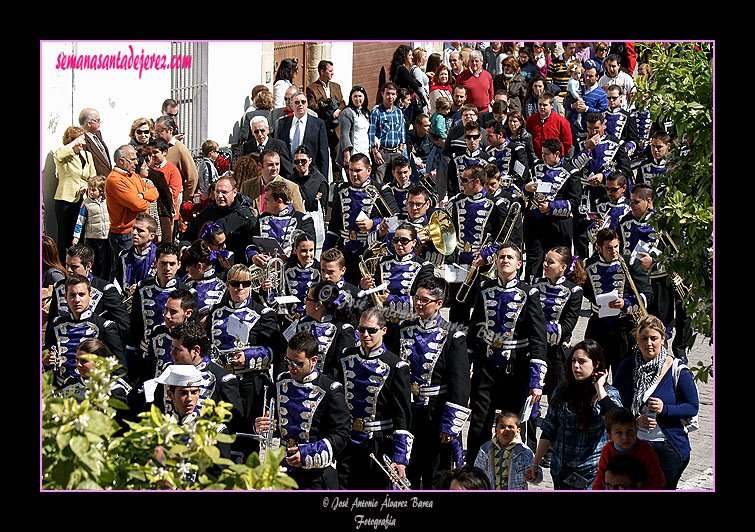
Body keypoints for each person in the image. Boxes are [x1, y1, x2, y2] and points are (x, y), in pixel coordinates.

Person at [466, 242, 548, 460]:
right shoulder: (485, 289)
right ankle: (476, 467)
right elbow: (475, 329)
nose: (505, 260)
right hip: (486, 365)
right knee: (479, 420)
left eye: (510, 257)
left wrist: (536, 381)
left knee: (517, 421)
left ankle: (520, 467)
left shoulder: (529, 293)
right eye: (501, 257)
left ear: (519, 264)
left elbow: (538, 338)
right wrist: (466, 365)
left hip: (516, 366)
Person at [398, 276, 471, 489]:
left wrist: (450, 425)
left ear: (439, 303)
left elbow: (460, 385)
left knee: (436, 472)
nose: (419, 304)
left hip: (436, 411)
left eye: (425, 300)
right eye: (416, 298)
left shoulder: (453, 335)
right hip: (410, 410)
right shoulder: (405, 328)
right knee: (408, 469)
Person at [254, 331, 351, 489]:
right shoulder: (281, 382)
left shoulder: (330, 390)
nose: (291, 368)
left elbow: (342, 434)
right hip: (284, 466)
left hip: (316, 473)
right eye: (288, 361)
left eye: (298, 363)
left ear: (313, 361)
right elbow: (276, 422)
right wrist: (262, 425)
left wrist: (307, 454)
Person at [612, 314, 699, 489]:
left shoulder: (678, 370)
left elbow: (692, 407)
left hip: (668, 447)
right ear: (637, 340)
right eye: (644, 338)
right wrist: (635, 420)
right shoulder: (627, 366)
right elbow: (616, 403)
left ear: (663, 339)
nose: (649, 343)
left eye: (654, 338)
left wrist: (664, 408)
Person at [206, 263, 285, 456]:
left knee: (246, 437)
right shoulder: (216, 312)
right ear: (227, 285)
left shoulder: (264, 314)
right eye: (235, 284)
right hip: (221, 383)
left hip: (249, 383)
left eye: (245, 284)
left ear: (251, 285)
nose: (240, 289)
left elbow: (276, 351)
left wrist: (248, 357)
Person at [525, 338, 623, 489]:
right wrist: (535, 463)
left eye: (582, 362)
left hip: (591, 474)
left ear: (596, 364)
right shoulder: (561, 391)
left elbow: (618, 421)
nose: (576, 366)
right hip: (561, 471)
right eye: (573, 361)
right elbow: (549, 430)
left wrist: (599, 388)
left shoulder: (608, 394)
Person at [334, 308, 413, 490]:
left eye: (371, 330)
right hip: (348, 439)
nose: (365, 335)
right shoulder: (346, 357)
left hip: (378, 442)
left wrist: (400, 457)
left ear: (383, 331)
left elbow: (402, 415)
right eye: (361, 330)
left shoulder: (395, 366)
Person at [530, 245, 586, 463]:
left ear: (563, 268)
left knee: (556, 404)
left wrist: (534, 329)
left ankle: (551, 449)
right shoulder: (535, 286)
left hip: (558, 355)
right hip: (535, 352)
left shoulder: (574, 292)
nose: (545, 265)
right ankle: (530, 446)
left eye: (550, 262)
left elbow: (566, 328)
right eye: (545, 260)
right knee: (532, 403)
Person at [144, 320, 244, 434]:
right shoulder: (169, 371)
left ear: (196, 351)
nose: (172, 353)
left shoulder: (222, 379)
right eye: (172, 348)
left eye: (178, 349)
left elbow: (233, 425)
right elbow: (157, 411)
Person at [582, 228, 653, 377]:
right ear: (599, 248)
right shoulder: (588, 265)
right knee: (595, 371)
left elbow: (647, 295)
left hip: (623, 326)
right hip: (598, 326)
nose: (613, 251)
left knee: (623, 373)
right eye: (609, 248)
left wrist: (625, 303)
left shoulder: (630, 263)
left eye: (616, 246)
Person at [444, 163, 508, 326]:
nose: (462, 183)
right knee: (457, 310)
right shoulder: (458, 202)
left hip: (483, 267)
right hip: (460, 265)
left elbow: (503, 239)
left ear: (477, 181)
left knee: (481, 311)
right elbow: (451, 231)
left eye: (465, 180)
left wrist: (486, 256)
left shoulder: (496, 204)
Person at [322, 153, 399, 287]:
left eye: (358, 170)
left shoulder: (381, 190)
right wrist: (325, 253)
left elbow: (395, 221)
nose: (353, 174)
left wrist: (373, 223)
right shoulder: (341, 190)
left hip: (370, 251)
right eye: (351, 170)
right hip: (345, 251)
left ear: (369, 170)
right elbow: (334, 226)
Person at [43, 274, 126, 390]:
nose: (77, 300)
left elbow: (119, 370)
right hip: (62, 393)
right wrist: (46, 362)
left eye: (81, 295)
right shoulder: (56, 324)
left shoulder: (104, 327)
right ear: (65, 297)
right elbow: (47, 357)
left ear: (90, 296)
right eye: (72, 295)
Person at [358, 223, 435, 346]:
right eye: (396, 240)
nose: (399, 244)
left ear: (414, 242)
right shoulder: (383, 263)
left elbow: (422, 301)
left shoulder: (424, 267)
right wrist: (364, 287)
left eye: (404, 241)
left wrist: (389, 300)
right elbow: (372, 297)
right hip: (384, 325)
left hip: (409, 326)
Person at [570, 111, 632, 262]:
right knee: (581, 234)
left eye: (596, 129)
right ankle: (581, 269)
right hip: (584, 194)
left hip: (606, 194)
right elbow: (571, 168)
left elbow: (626, 171)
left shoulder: (616, 143)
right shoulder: (580, 142)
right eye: (590, 129)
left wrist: (604, 177)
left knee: (606, 234)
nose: (593, 132)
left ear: (604, 125)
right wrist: (587, 149)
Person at [522, 137, 581, 282]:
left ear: (557, 154)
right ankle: (532, 287)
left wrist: (551, 207)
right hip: (536, 221)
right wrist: (526, 188)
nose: (542, 157)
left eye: (546, 154)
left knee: (559, 260)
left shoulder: (571, 172)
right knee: (533, 259)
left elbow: (574, 202)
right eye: (542, 153)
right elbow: (523, 188)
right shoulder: (536, 167)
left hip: (558, 224)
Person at [47, 243, 131, 342]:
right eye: (67, 265)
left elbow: (123, 325)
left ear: (88, 266)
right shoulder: (59, 287)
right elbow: (52, 324)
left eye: (74, 267)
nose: (69, 270)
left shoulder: (105, 289)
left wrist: (102, 343)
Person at [105, 145, 159, 280]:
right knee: (123, 272)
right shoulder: (115, 180)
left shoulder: (133, 176)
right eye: (133, 159)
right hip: (124, 235)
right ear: (121, 161)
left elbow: (155, 191)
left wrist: (141, 195)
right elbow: (138, 205)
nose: (137, 163)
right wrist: (144, 199)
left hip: (138, 231)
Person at [183, 175, 258, 263]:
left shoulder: (246, 218)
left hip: (234, 268)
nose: (220, 196)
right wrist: (185, 248)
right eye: (217, 192)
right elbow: (188, 236)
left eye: (224, 192)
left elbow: (254, 244)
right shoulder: (206, 213)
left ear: (234, 192)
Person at [592, 406, 666, 490]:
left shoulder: (645, 451)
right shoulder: (608, 451)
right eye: (619, 433)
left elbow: (658, 480)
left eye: (630, 431)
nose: (625, 437)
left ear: (636, 431)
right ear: (610, 437)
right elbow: (601, 475)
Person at [245, 179, 316, 267]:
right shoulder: (263, 218)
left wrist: (286, 261)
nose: (264, 203)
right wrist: (254, 256)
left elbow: (308, 252)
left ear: (279, 201)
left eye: (267, 200)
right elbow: (251, 243)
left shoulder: (303, 220)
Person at [295, 280, 357, 379]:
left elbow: (341, 368)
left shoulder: (342, 330)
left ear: (318, 305)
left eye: (308, 299)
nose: (305, 302)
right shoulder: (303, 324)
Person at [53, 125, 97, 258]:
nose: (83, 143)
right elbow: (58, 156)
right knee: (64, 234)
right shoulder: (64, 154)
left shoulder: (87, 155)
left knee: (79, 233)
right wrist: (73, 144)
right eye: (80, 140)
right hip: (65, 199)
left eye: (83, 140)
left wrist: (86, 185)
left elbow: (92, 176)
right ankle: (63, 262)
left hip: (82, 199)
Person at [474, 411, 541, 490]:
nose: (506, 430)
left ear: (518, 431)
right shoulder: (485, 451)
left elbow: (536, 475)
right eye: (502, 427)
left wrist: (533, 475)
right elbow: (477, 473)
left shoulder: (524, 452)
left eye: (511, 427)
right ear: (496, 430)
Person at [274, 90, 330, 179]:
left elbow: (323, 153)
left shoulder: (318, 124)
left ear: (307, 104)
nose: (300, 104)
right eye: (297, 102)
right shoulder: (282, 123)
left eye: (303, 102)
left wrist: (323, 180)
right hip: (288, 174)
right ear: (291, 105)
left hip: (310, 174)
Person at [72, 175, 111, 280]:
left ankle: (104, 280)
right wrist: (76, 236)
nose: (91, 192)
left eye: (94, 190)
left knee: (105, 261)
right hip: (91, 237)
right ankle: (92, 279)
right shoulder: (86, 204)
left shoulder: (107, 201)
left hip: (104, 237)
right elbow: (80, 221)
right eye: (89, 190)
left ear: (101, 191)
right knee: (94, 261)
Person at [291, 145, 328, 254]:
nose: (300, 164)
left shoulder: (320, 181)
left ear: (310, 160)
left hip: (315, 224)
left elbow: (319, 205)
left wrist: (300, 202)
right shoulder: (290, 180)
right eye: (297, 162)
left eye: (303, 161)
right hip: (295, 222)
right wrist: (310, 202)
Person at [113, 212, 157, 304]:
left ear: (151, 236)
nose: (134, 233)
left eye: (140, 230)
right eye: (133, 228)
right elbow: (117, 283)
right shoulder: (124, 256)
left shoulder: (159, 258)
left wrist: (141, 288)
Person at [368, 82, 407, 185]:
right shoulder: (376, 112)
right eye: (388, 94)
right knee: (379, 181)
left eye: (393, 94)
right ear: (382, 94)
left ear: (396, 95)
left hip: (396, 152)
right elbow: (371, 133)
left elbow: (402, 131)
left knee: (396, 181)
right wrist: (375, 152)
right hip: (382, 153)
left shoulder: (399, 112)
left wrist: (401, 148)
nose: (390, 97)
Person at [154, 116, 198, 202]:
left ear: (170, 130)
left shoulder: (179, 149)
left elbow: (192, 177)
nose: (157, 135)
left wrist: (185, 200)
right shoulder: (154, 147)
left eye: (160, 131)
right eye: (156, 132)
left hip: (173, 198)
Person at [147, 137, 182, 239]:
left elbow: (174, 193)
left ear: (164, 152)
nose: (152, 156)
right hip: (153, 215)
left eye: (155, 152)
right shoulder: (149, 169)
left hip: (168, 214)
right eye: (151, 153)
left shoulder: (173, 170)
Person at [525, 91, 573, 161]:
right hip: (535, 159)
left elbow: (568, 143)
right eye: (540, 104)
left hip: (554, 161)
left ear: (552, 106)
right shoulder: (530, 120)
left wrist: (559, 157)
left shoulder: (561, 122)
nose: (542, 107)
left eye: (545, 105)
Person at [337, 85, 372, 177]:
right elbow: (344, 135)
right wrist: (346, 153)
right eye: (355, 96)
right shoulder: (347, 112)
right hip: (353, 151)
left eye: (360, 96)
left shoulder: (366, 113)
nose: (357, 99)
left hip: (364, 149)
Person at [568, 64, 608, 139]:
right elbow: (565, 104)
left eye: (590, 76)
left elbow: (603, 113)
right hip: (572, 128)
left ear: (597, 77)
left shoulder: (602, 94)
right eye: (586, 75)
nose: (587, 78)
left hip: (589, 131)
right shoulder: (578, 88)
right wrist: (573, 106)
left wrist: (586, 109)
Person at [390, 45, 430, 121]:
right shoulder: (403, 69)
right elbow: (415, 85)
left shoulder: (398, 68)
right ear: (404, 56)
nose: (412, 57)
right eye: (410, 55)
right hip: (404, 102)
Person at [604, 84, 640, 158]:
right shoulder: (601, 115)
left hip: (620, 155)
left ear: (620, 97)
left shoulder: (629, 117)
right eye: (609, 98)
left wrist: (625, 149)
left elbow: (634, 139)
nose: (611, 100)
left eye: (614, 98)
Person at [455, 50, 495, 114]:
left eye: (476, 61)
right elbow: (457, 93)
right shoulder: (462, 76)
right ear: (469, 62)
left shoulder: (487, 76)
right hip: (468, 112)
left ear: (481, 62)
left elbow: (491, 93)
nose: (474, 63)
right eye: (472, 61)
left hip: (484, 112)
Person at [78, 108, 112, 177]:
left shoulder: (97, 135)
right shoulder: (81, 141)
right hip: (96, 183)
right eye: (98, 120)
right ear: (89, 123)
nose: (100, 122)